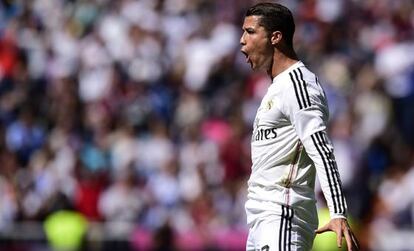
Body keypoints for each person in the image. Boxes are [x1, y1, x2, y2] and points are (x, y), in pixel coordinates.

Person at [240, 2, 359, 251]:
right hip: (261, 218)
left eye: (250, 32)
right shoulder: (275, 88)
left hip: (283, 214)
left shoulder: (299, 86)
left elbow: (321, 148)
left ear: (275, 37)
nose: (242, 41)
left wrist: (337, 211)